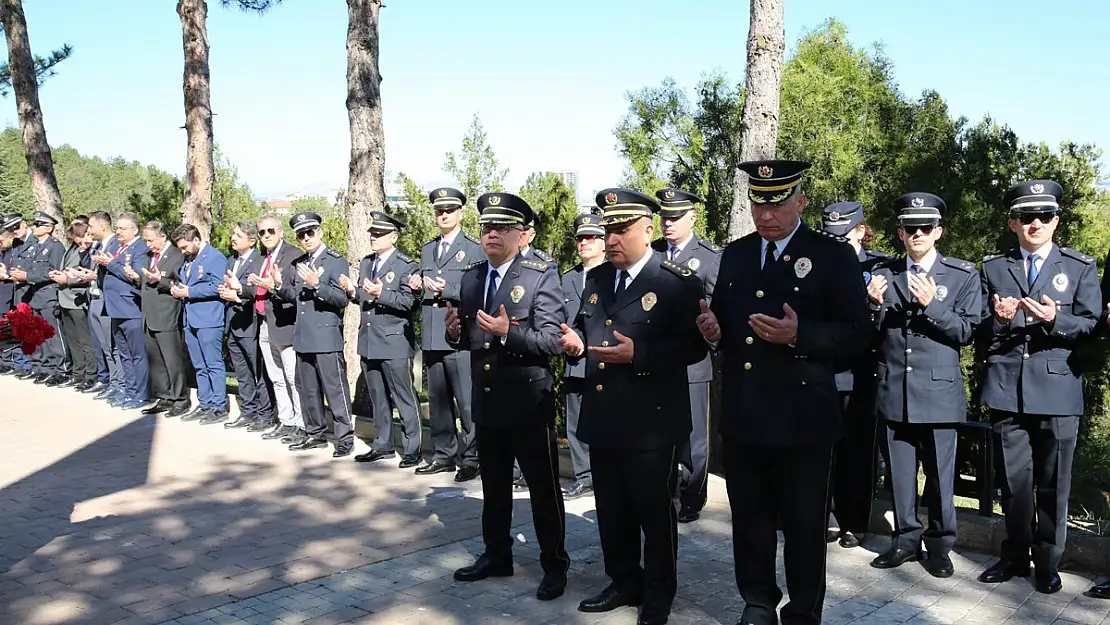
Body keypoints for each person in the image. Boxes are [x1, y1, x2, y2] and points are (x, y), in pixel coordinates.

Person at [695, 160, 871, 625]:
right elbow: (727, 327)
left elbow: (858, 334)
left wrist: (800, 335)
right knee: (750, 520)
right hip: (746, 411)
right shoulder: (734, 255)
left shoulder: (832, 256)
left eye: (776, 203)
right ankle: (757, 602)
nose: (765, 213)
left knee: (804, 524)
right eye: (758, 202)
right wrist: (713, 332)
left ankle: (803, 610)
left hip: (803, 416)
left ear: (800, 201)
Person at [559, 189, 706, 625]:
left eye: (621, 229)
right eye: (608, 230)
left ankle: (658, 592)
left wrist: (638, 355)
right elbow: (586, 336)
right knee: (612, 509)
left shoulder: (676, 281)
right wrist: (574, 347)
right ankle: (624, 580)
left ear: (647, 229)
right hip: (604, 415)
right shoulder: (598, 279)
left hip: (652, 421)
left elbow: (695, 347)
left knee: (653, 511)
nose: (612, 238)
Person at [445, 192, 569, 601]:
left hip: (528, 403)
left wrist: (507, 333)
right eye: (485, 227)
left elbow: (552, 340)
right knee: (494, 488)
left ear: (521, 234)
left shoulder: (540, 275)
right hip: (488, 400)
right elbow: (469, 338)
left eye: (501, 228)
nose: (491, 234)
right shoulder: (472, 277)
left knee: (543, 491)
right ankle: (497, 554)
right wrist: (454, 332)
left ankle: (554, 565)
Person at [977, 180, 1100, 595]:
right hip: (1008, 388)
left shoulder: (1079, 267)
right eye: (1027, 217)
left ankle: (1047, 562)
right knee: (1013, 483)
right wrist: (998, 318)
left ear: (1056, 222)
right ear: (1014, 222)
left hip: (1058, 390)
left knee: (1053, 484)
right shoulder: (994, 267)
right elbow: (980, 329)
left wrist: (1054, 320)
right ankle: (1013, 555)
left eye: (1044, 217)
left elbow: (1091, 326)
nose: (1036, 224)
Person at [867, 192, 981, 579]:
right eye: (909, 228)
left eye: (925, 228)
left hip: (938, 393)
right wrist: (870, 306)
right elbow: (866, 336)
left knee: (939, 477)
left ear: (938, 232)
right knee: (900, 473)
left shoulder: (963, 276)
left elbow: (967, 331)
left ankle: (940, 545)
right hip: (894, 389)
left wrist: (933, 305)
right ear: (900, 233)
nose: (917, 234)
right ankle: (905, 539)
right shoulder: (884, 274)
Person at [818, 202, 890, 548]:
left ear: (861, 230)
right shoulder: (818, 262)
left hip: (862, 372)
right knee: (822, 448)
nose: (837, 242)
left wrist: (873, 305)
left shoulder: (880, 267)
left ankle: (854, 520)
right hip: (825, 368)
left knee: (858, 451)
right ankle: (826, 516)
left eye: (843, 236)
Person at [652, 187, 722, 523]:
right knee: (660, 430)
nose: (668, 222)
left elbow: (717, 310)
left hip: (693, 360)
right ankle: (666, 488)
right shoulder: (651, 254)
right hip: (656, 360)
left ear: (692, 217)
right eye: (664, 216)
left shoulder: (708, 258)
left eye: (675, 216)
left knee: (695, 435)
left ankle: (693, 494)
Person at [409, 187, 486, 480]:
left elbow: (478, 290)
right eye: (439, 211)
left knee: (466, 401)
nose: (443, 215)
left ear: (460, 213)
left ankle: (472, 456)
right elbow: (422, 288)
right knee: (439, 401)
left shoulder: (473, 248)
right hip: (432, 331)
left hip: (459, 335)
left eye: (449, 211)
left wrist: (449, 290)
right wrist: (416, 286)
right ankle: (443, 453)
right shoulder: (429, 248)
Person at [343, 211, 422, 465]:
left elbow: (409, 302)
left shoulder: (406, 265)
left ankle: (413, 449)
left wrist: (381, 293)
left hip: (394, 342)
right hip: (369, 340)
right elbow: (364, 297)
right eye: (372, 234)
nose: (373, 238)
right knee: (378, 397)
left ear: (394, 237)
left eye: (379, 234)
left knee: (404, 398)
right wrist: (352, 291)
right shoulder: (367, 263)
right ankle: (383, 444)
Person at [275, 211, 355, 457]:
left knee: (335, 388)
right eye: (301, 235)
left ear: (319, 232)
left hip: (325, 335)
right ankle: (315, 433)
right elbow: (297, 298)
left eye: (310, 232)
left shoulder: (335, 260)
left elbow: (342, 299)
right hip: (303, 336)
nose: (306, 238)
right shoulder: (300, 262)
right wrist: (278, 286)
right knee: (307, 388)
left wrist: (317, 284)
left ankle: (344, 437)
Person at [559, 212, 606, 499]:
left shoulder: (613, 274)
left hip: (602, 363)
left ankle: (604, 476)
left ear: (603, 242)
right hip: (574, 362)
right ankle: (584, 477)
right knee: (575, 424)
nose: (584, 243)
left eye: (591, 238)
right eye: (580, 238)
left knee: (604, 422)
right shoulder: (569, 278)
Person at [248, 215, 305, 442]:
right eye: (262, 232)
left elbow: (295, 293)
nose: (266, 236)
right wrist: (240, 289)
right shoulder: (261, 258)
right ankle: (286, 420)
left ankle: (301, 424)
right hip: (264, 322)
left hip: (285, 323)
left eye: (270, 231)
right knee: (276, 377)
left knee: (293, 377)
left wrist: (276, 286)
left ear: (281, 231)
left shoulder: (293, 256)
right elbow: (256, 289)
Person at [171, 224, 229, 424]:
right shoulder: (189, 260)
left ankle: (219, 406)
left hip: (209, 319)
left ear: (196, 240)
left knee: (213, 364)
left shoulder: (214, 257)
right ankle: (205, 404)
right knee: (199, 365)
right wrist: (179, 289)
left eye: (185, 247)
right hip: (191, 319)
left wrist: (189, 292)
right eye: (180, 248)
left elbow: (217, 285)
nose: (183, 251)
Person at [219, 222, 275, 431]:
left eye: (238, 235)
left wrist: (237, 296)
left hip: (250, 323)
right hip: (233, 323)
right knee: (242, 372)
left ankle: (265, 414)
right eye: (233, 233)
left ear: (251, 240)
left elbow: (259, 294)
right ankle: (248, 411)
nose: (233, 238)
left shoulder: (259, 261)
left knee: (258, 371)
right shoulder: (231, 260)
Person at [92, 211, 150, 409]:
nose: (118, 232)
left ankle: (142, 394)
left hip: (130, 307)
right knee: (124, 354)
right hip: (114, 306)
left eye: (122, 228)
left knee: (137, 354)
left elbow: (135, 277)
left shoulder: (140, 248)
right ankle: (130, 391)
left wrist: (112, 264)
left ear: (134, 230)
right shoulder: (116, 246)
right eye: (116, 228)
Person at [135, 221, 190, 418]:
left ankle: (180, 398)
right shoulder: (149, 257)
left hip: (166, 315)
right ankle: (164, 396)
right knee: (156, 360)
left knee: (172, 359)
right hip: (149, 315)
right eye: (146, 241)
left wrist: (162, 281)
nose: (148, 244)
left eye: (151, 240)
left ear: (163, 236)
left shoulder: (176, 255)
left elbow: (181, 282)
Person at [11, 211, 66, 385]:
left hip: (48, 295)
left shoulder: (55, 246)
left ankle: (61, 369)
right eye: (35, 224)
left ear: (48, 228)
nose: (34, 227)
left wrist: (26, 275)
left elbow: (52, 271)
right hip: (35, 295)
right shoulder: (37, 246)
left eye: (38, 224)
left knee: (53, 335)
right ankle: (46, 367)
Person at [51, 220, 95, 390]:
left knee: (85, 341)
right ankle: (78, 372)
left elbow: (86, 274)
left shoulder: (88, 251)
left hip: (78, 299)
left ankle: (90, 374)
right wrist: (60, 274)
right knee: (73, 340)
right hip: (65, 299)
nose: (76, 240)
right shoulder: (71, 249)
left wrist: (68, 279)